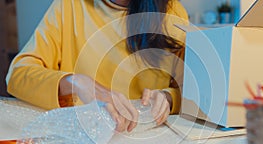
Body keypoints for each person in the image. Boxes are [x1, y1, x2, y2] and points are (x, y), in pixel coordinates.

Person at [6, 0, 188, 133]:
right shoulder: (69, 5)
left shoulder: (174, 13)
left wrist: (168, 98)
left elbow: (192, 94)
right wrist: (76, 83)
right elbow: (17, 74)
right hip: (82, 138)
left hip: (148, 139)